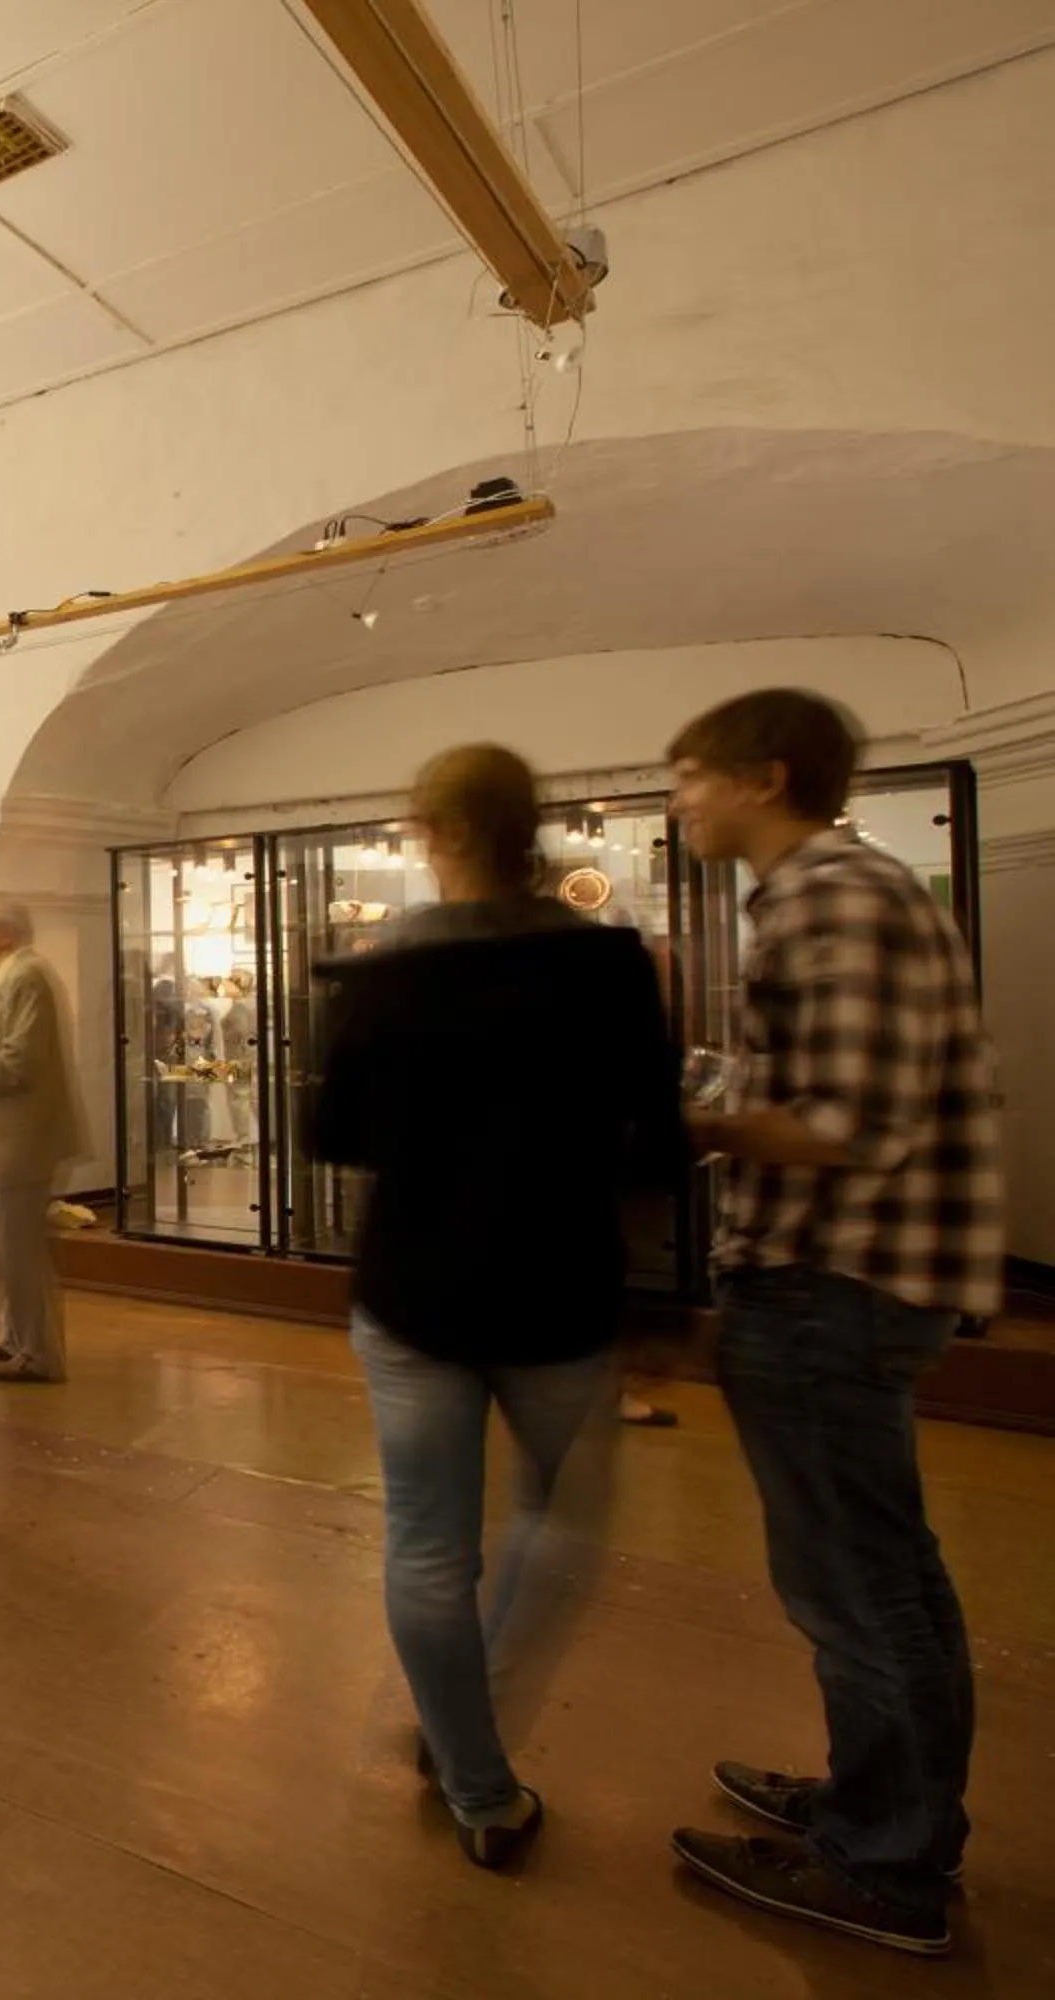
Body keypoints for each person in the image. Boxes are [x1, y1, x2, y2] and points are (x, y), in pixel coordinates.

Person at [663, 691, 1002, 1956]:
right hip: (857, 1282)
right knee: (889, 1571)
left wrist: (676, 1126)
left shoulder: (830, 896)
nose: (681, 802)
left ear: (766, 775)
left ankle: (883, 1864)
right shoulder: (842, 893)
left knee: (856, 1587)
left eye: (692, 776)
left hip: (829, 1280)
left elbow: (847, 1123)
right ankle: (891, 1809)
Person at [311, 746, 684, 1871]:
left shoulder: (383, 976)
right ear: (537, 829)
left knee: (428, 1547)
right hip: (560, 1286)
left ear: (427, 830)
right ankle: (464, 1731)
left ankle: (477, 1778)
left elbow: (333, 1135)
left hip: (415, 1289)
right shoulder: (606, 964)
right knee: (562, 1523)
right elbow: (653, 1139)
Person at [0, 900, 83, 1385]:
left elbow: (21, 1059)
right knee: (13, 1247)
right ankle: (15, 1338)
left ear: (5, 935)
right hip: (14, 1141)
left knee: (23, 1250)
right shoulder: (12, 977)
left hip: (24, 1141)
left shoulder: (25, 977)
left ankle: (37, 1354)